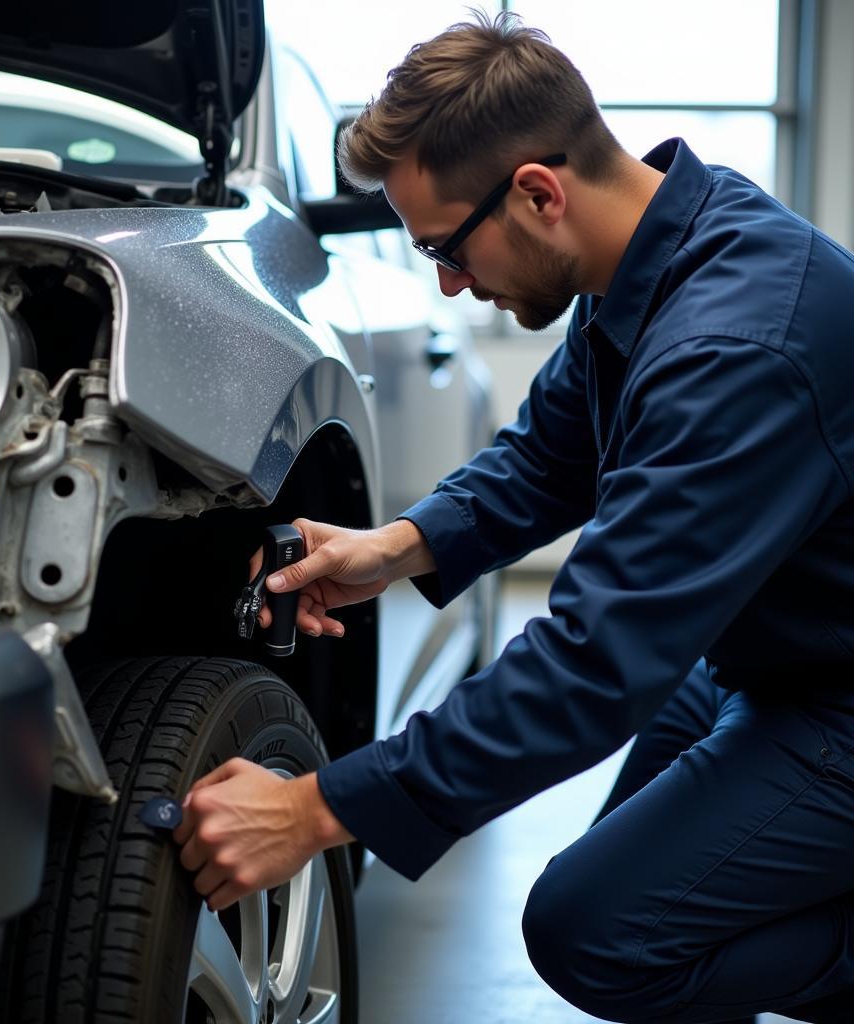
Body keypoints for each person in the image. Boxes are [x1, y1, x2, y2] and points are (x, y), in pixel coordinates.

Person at [172, 10, 854, 1022]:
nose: (448, 281)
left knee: (596, 932)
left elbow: (593, 663)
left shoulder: (737, 344)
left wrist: (317, 809)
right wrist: (394, 549)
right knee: (650, 889)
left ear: (536, 191)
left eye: (445, 246)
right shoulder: (654, 256)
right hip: (759, 654)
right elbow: (547, 454)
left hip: (832, 693)